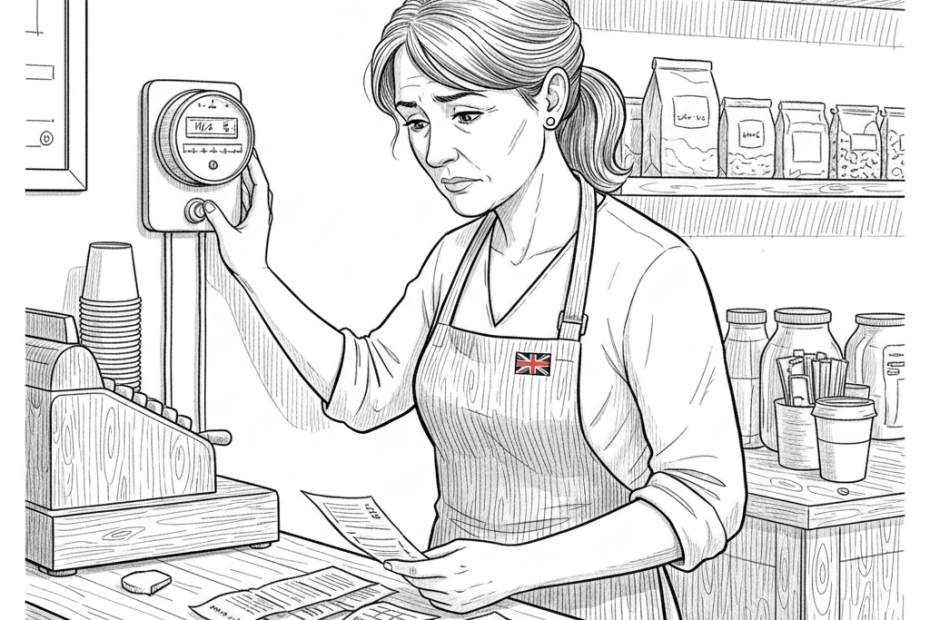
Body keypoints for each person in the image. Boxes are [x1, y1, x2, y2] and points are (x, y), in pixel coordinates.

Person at [204, 1, 746, 619]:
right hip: (458, 605)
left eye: (465, 113)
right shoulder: (455, 258)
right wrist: (253, 272)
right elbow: (368, 390)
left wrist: (514, 569)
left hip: (595, 607)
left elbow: (708, 497)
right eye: (415, 122)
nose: (435, 152)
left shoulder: (647, 268)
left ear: (549, 99)